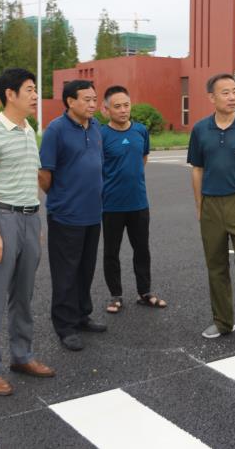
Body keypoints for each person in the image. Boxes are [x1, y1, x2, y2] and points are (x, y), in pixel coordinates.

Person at [0, 68, 54, 396]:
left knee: (23, 294)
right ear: (10, 94)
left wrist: (35, 222)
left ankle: (22, 355)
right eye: (30, 89)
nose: (35, 95)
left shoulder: (27, 129)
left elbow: (28, 179)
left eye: (35, 89)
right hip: (2, 219)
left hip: (29, 219)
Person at [187, 73, 235, 347]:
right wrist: (199, 205)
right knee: (216, 266)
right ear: (211, 97)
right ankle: (222, 321)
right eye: (226, 92)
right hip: (211, 204)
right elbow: (197, 170)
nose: (233, 97)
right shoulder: (200, 130)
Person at [39, 80, 106, 352]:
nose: (92, 104)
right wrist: (62, 197)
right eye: (86, 99)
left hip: (93, 213)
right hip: (65, 215)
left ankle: (81, 315)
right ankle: (65, 325)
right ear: (70, 101)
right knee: (65, 273)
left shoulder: (96, 127)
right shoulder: (56, 130)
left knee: (85, 269)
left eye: (94, 99)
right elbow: (44, 174)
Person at [100, 85, 167, 314]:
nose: (123, 110)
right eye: (117, 106)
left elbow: (143, 158)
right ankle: (115, 296)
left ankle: (145, 292)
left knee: (142, 249)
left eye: (126, 105)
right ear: (106, 109)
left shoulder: (140, 131)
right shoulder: (101, 135)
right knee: (111, 252)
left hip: (138, 202)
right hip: (111, 204)